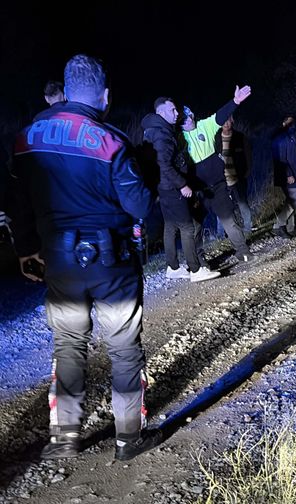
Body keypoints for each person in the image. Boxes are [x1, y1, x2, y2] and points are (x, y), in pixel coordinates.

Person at [6, 55, 160, 460]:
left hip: (58, 261)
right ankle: (128, 439)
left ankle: (64, 439)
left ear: (66, 90)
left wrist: (25, 247)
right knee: (124, 348)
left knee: (69, 345)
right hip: (112, 263)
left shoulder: (27, 139)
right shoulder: (111, 141)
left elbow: (16, 201)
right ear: (105, 96)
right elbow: (140, 206)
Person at [141, 97, 219, 282]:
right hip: (171, 187)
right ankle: (195, 269)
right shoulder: (161, 134)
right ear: (161, 113)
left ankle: (173, 267)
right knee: (187, 227)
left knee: (170, 226)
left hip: (162, 187)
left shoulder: (152, 129)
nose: (177, 114)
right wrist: (182, 185)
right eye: (173, 110)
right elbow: (164, 165)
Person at [181, 86, 254, 262]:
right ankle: (199, 260)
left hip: (218, 185)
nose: (187, 119)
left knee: (229, 219)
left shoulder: (205, 126)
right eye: (183, 119)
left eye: (189, 115)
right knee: (196, 225)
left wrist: (235, 102)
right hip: (198, 190)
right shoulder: (179, 138)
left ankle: (243, 251)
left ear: (192, 115)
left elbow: (220, 116)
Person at [217, 115, 252, 235]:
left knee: (242, 202)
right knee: (222, 206)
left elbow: (248, 155)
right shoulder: (215, 138)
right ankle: (222, 234)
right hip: (222, 179)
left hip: (238, 177)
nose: (226, 123)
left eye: (228, 120)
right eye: (223, 121)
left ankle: (248, 228)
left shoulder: (240, 137)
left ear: (232, 121)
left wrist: (247, 170)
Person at [271, 115, 296, 238]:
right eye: (289, 123)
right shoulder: (282, 138)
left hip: (295, 175)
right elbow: (281, 158)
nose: (292, 126)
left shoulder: (291, 137)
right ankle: (278, 224)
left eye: (293, 123)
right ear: (284, 124)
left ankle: (291, 227)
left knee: (291, 200)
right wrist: (288, 174)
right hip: (288, 175)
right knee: (294, 199)